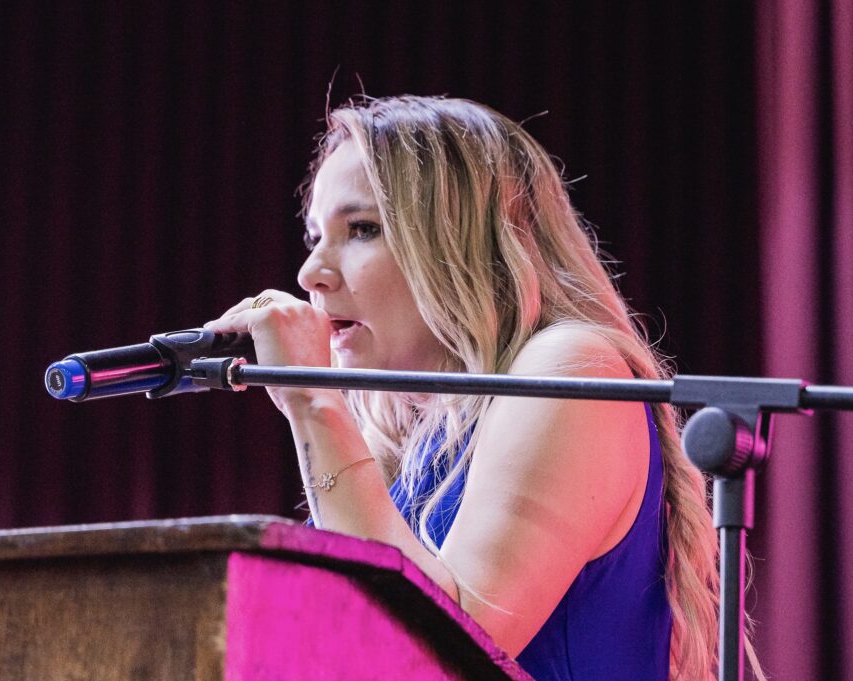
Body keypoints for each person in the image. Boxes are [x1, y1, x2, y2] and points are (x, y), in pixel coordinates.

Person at [205, 96, 720, 681]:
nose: (310, 274)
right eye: (316, 236)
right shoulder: (410, 436)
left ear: (462, 242)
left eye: (363, 229)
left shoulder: (571, 367)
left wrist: (312, 402)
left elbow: (437, 655)